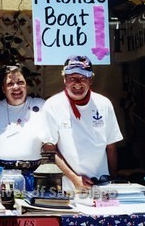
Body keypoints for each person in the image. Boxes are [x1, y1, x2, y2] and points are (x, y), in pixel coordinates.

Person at [41, 55, 123, 192]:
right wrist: (74, 179)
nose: (78, 83)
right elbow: (49, 150)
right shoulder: (52, 105)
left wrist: (112, 180)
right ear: (64, 79)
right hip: (67, 187)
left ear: (91, 80)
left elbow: (111, 147)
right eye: (72, 78)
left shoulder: (104, 104)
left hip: (102, 186)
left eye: (83, 77)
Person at [0, 65, 46, 191]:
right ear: (3, 89)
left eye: (20, 82)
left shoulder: (41, 106)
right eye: (10, 84)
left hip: (32, 175)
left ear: (26, 86)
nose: (16, 87)